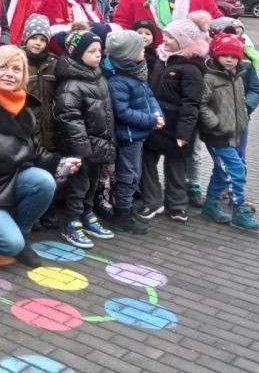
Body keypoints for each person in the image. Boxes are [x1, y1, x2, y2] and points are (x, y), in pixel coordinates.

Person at [0, 46, 80, 265]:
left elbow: (34, 149)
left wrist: (61, 162)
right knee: (9, 246)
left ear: (23, 75)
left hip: (9, 181)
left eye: (16, 69)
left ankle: (17, 233)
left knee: (44, 181)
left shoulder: (23, 105)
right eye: (2, 67)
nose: (9, 73)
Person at [139, 11, 211, 223]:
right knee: (147, 161)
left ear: (184, 42)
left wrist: (184, 132)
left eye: (171, 37)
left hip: (177, 127)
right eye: (166, 35)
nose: (165, 40)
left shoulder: (191, 68)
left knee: (176, 167)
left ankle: (177, 204)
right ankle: (152, 201)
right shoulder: (162, 59)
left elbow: (192, 103)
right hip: (156, 123)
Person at [54, 26, 117, 249]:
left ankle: (87, 214)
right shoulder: (71, 84)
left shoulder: (98, 78)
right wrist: (81, 150)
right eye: (92, 51)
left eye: (99, 50)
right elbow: (69, 118)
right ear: (77, 54)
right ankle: (72, 221)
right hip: (81, 149)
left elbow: (106, 114)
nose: (98, 55)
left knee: (91, 185)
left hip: (98, 145)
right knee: (79, 186)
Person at [198, 33, 259, 231]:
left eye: (234, 57)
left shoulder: (238, 74)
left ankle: (210, 204)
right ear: (216, 55)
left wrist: (244, 112)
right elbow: (201, 104)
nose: (229, 60)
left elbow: (251, 94)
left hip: (236, 130)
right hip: (218, 134)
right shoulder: (209, 77)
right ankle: (239, 209)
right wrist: (215, 123)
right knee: (236, 170)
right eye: (225, 55)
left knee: (222, 170)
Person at [103, 30, 164, 236]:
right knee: (128, 176)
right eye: (140, 49)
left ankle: (127, 210)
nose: (144, 51)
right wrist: (150, 120)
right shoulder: (118, 80)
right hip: (128, 135)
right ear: (128, 54)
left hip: (138, 133)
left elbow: (149, 96)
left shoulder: (136, 72)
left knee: (134, 174)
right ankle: (122, 214)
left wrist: (157, 113)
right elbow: (122, 112)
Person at [21, 14, 59, 230]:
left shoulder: (53, 63)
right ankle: (32, 212)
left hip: (49, 126)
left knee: (49, 168)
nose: (38, 43)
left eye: (42, 39)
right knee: (30, 168)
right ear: (26, 38)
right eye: (34, 37)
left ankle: (49, 210)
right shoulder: (18, 61)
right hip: (27, 126)